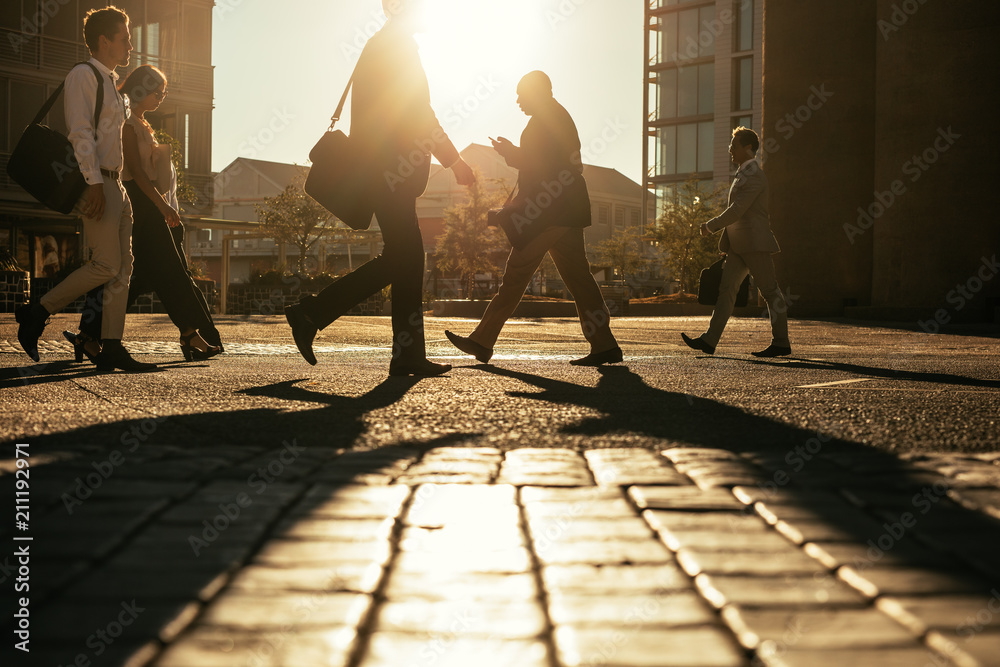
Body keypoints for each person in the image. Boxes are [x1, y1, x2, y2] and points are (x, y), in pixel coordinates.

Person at [284, 0, 476, 376]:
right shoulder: (396, 47)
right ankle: (313, 313)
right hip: (392, 171)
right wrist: (454, 161)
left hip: (387, 170)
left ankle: (404, 352)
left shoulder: (385, 43)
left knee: (406, 259)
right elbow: (420, 113)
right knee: (404, 258)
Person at [445, 71, 622, 367]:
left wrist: (510, 152)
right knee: (580, 280)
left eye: (521, 94)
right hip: (564, 208)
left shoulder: (547, 119)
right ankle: (604, 345)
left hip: (549, 211)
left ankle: (482, 340)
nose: (517, 101)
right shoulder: (554, 116)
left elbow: (542, 164)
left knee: (515, 275)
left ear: (537, 92)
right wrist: (513, 153)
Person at [15, 6, 154, 372]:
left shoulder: (112, 82)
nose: (130, 45)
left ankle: (111, 345)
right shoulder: (83, 75)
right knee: (106, 264)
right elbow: (80, 133)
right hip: (98, 184)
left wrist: (119, 187)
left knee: (123, 269)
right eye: (124, 38)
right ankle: (36, 311)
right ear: (104, 40)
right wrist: (93, 184)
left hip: (116, 185)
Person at [63, 65, 222, 364]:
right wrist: (163, 205)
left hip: (151, 204)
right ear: (140, 89)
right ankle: (191, 334)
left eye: (164, 93)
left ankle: (91, 334)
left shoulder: (142, 123)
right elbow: (135, 173)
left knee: (142, 276)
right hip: (140, 204)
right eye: (156, 92)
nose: (161, 98)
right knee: (161, 271)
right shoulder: (127, 123)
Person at [680, 126, 791, 358]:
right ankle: (710, 340)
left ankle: (781, 342)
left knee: (770, 292)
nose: (730, 149)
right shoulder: (743, 174)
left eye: (734, 144)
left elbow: (738, 209)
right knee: (726, 291)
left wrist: (711, 226)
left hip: (755, 243)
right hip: (739, 246)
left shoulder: (755, 176)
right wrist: (728, 244)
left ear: (748, 147)